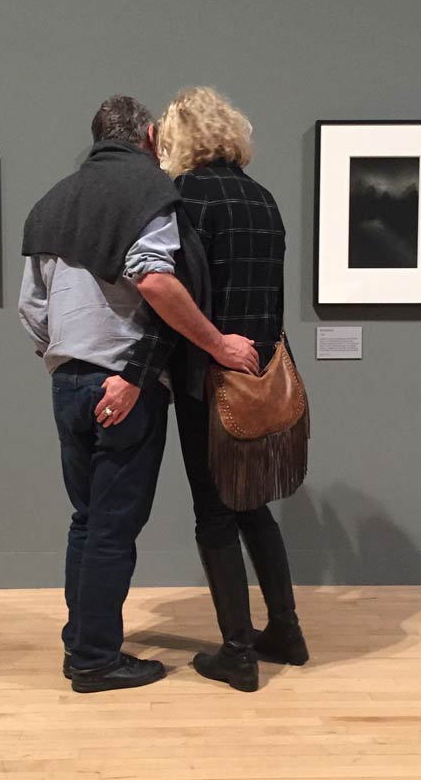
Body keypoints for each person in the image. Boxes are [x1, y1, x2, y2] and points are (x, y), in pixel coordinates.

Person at [19, 95, 259, 694]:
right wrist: (217, 346)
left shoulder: (51, 201)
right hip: (125, 383)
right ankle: (95, 660)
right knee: (112, 527)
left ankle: (81, 641)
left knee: (86, 520)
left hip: (67, 380)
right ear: (149, 135)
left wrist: (64, 357)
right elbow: (154, 280)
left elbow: (31, 307)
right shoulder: (150, 192)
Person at [158, 86, 309, 693]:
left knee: (213, 510)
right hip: (261, 372)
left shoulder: (184, 198)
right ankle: (287, 631)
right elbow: (273, 297)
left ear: (180, 138)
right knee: (251, 502)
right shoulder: (263, 198)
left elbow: (178, 294)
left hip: (208, 375)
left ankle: (238, 654)